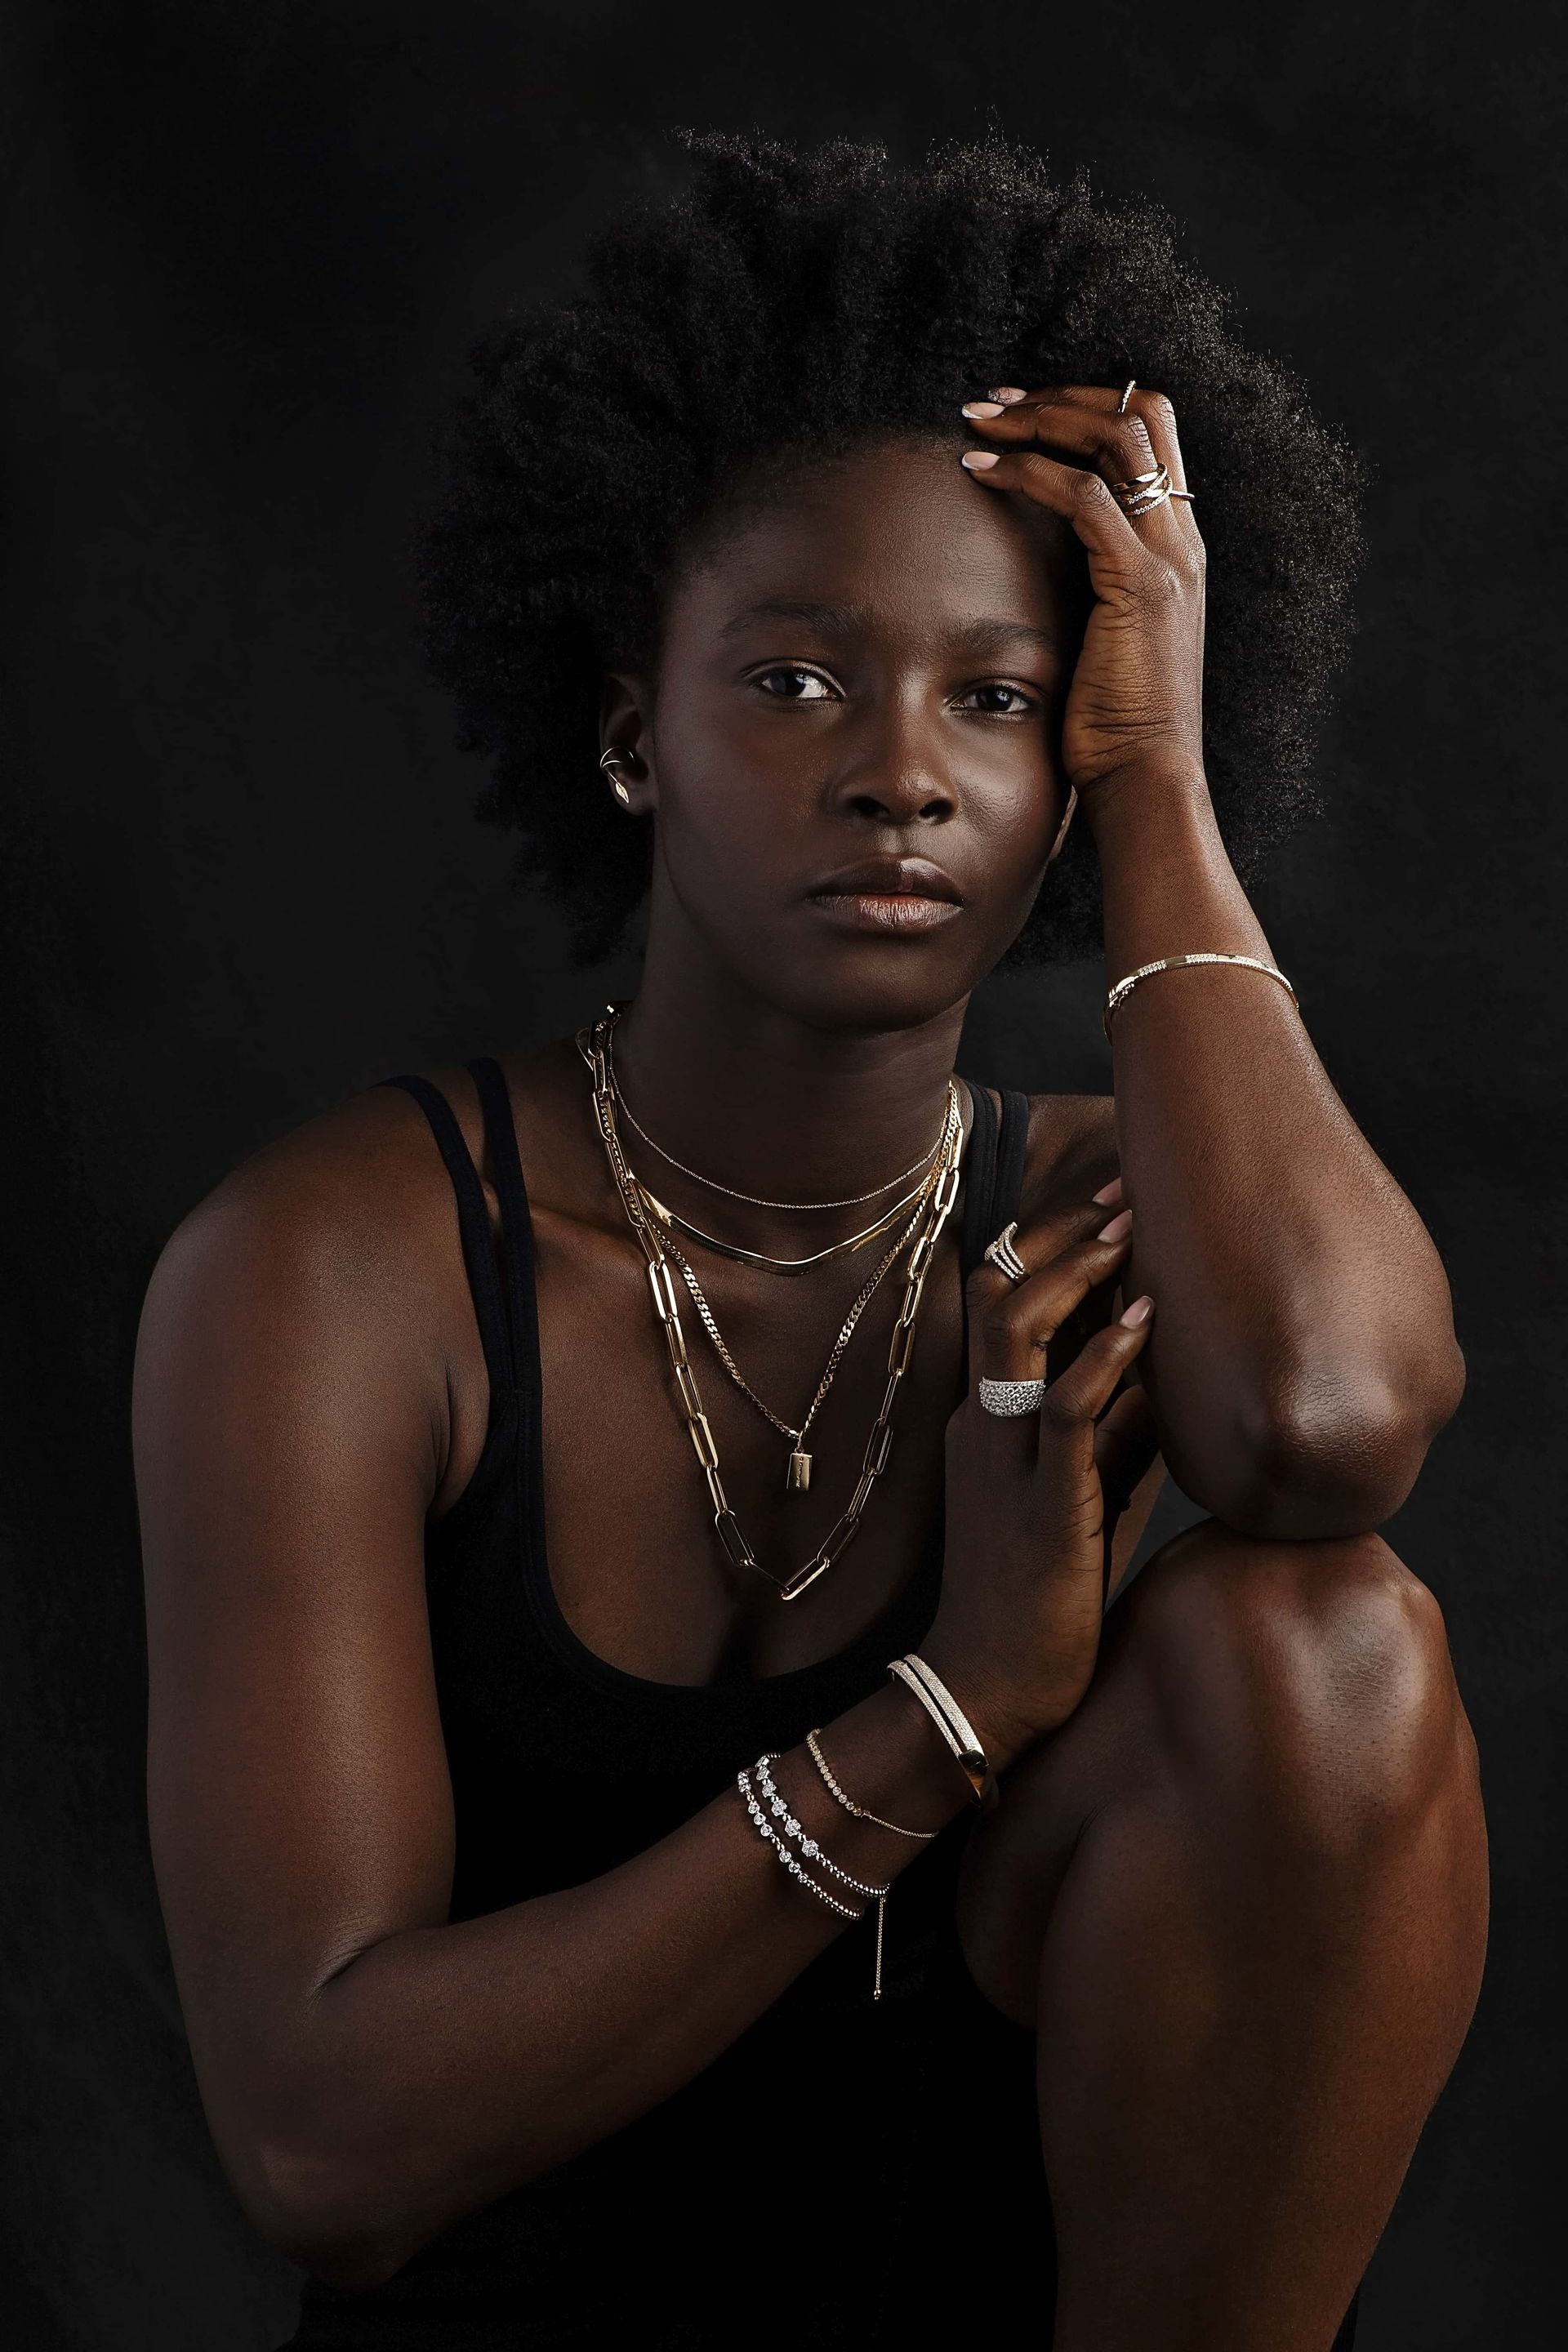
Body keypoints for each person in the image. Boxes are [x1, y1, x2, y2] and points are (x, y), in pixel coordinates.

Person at [132, 133, 1488, 2351]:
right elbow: (323, 2158)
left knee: (1322, 1649)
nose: (903, 776)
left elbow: (1328, 1424)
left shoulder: (1105, 1209)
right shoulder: (339, 1274)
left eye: (999, 699)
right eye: (794, 681)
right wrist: (957, 1707)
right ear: (628, 733)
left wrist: (1160, 782)